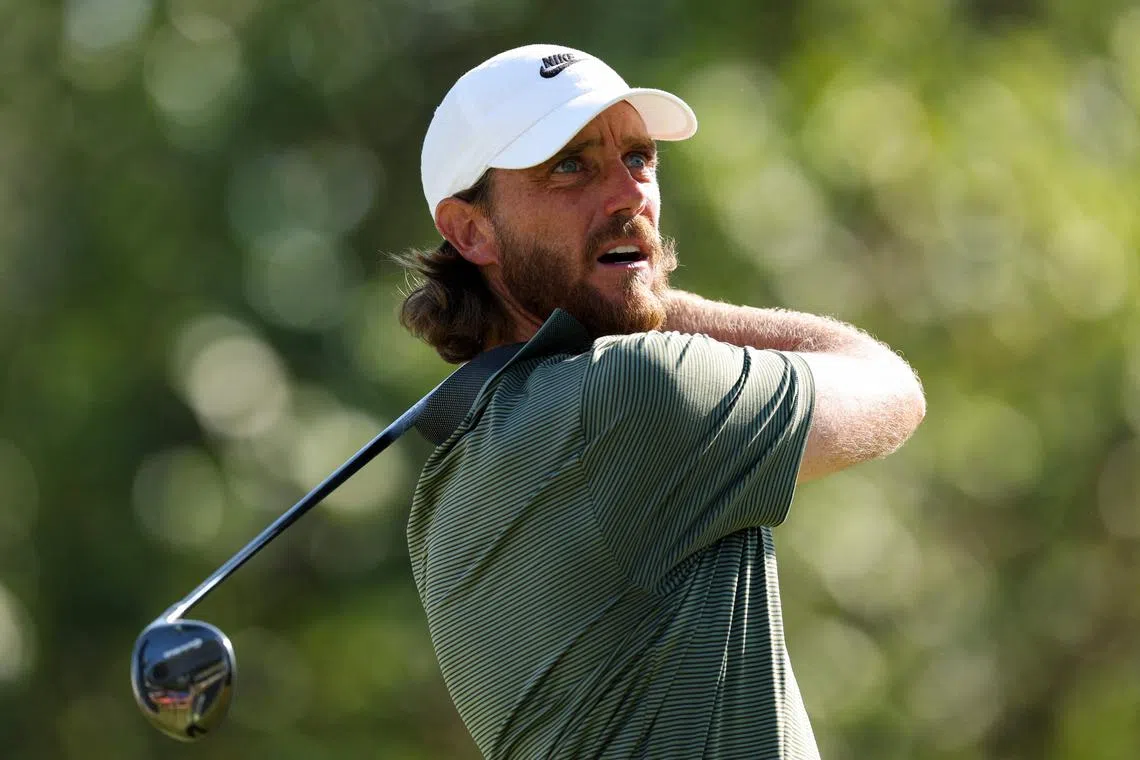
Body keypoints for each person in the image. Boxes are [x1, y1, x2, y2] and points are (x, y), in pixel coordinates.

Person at [398, 44, 925, 759]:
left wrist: (622, 286)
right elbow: (888, 385)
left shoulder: (444, 498)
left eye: (639, 158)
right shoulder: (630, 394)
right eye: (569, 166)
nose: (628, 195)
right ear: (470, 230)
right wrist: (652, 298)